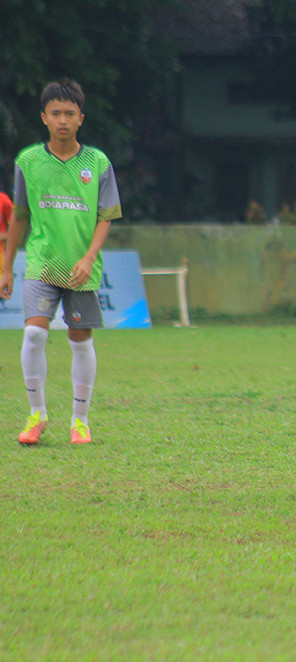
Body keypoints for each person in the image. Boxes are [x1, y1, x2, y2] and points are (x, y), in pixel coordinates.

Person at [0, 79, 122, 445]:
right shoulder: (29, 162)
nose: (63, 120)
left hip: (80, 268)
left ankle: (80, 420)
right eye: (56, 113)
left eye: (70, 114)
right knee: (35, 332)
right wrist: (6, 267)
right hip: (41, 264)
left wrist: (89, 257)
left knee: (80, 340)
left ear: (81, 118)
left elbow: (106, 216)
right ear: (44, 117)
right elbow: (19, 216)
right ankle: (36, 414)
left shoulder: (97, 163)